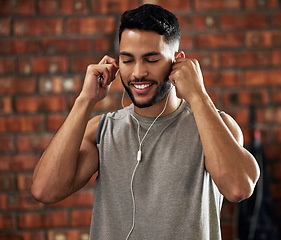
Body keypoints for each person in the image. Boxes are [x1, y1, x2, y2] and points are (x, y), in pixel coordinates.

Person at [32, 4, 260, 239]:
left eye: (151, 60)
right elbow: (45, 191)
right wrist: (84, 100)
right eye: (128, 60)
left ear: (178, 61)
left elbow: (238, 188)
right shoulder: (102, 131)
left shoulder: (217, 125)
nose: (138, 72)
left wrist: (198, 95)